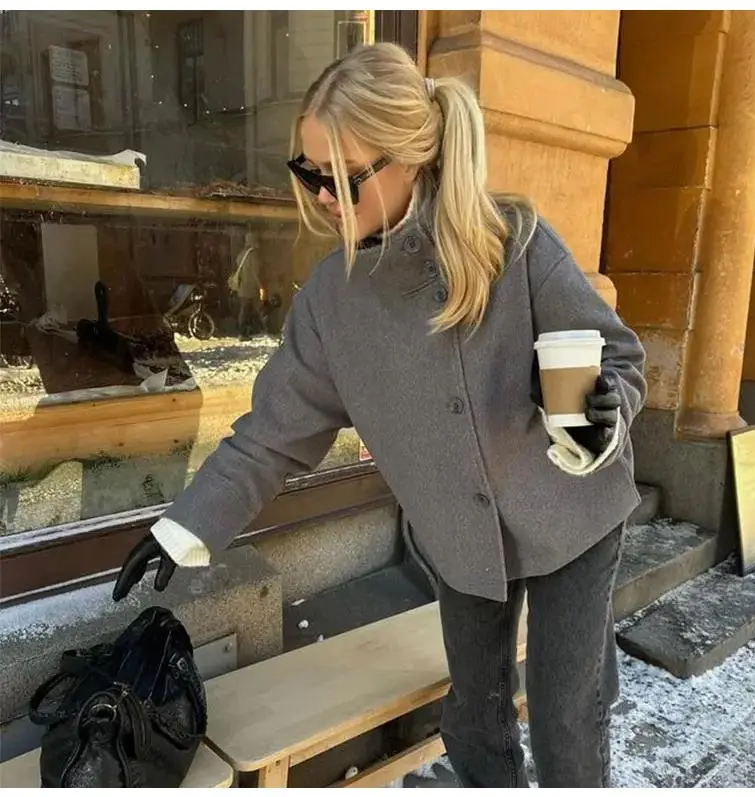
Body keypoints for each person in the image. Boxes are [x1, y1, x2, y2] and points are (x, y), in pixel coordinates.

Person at [113, 42, 647, 788]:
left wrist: (603, 414)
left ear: (413, 159)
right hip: (459, 539)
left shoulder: (514, 242)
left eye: (343, 177)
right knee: (474, 721)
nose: (323, 196)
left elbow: (617, 356)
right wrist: (184, 525)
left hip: (571, 513)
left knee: (566, 720)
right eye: (308, 172)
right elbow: (271, 435)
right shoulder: (331, 302)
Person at [229, 232, 265, 340]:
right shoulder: (253, 255)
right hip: (251, 288)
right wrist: (261, 286)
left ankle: (244, 331)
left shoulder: (242, 254)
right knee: (255, 309)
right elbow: (256, 273)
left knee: (244, 310)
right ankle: (246, 332)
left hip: (242, 287)